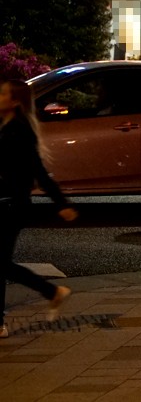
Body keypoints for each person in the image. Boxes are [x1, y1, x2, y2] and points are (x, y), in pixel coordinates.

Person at [0, 80, 76, 338]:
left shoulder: (20, 130)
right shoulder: (5, 126)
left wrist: (61, 203)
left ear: (15, 101)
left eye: (3, 94)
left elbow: (38, 171)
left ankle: (51, 291)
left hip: (11, 205)